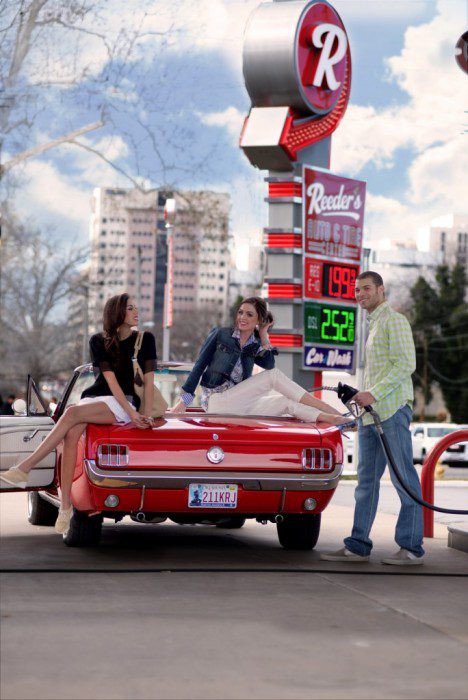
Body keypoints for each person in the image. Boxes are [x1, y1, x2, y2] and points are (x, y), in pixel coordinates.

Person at [0, 293, 157, 535]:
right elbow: (109, 380)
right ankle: (65, 507)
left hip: (124, 402)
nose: (137, 312)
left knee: (72, 413)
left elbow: (148, 381)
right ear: (117, 313)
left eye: (136, 308)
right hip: (98, 398)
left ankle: (27, 466)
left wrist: (140, 415)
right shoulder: (98, 341)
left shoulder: (146, 340)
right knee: (71, 434)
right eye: (130, 308)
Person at [321, 271, 425, 566]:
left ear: (381, 289)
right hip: (370, 417)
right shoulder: (374, 325)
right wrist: (363, 396)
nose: (361, 293)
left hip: (391, 411)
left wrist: (373, 393)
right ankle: (358, 545)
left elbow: (407, 364)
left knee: (403, 476)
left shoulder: (395, 321)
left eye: (366, 288)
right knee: (366, 481)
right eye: (357, 290)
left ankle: (412, 548)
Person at [171, 296, 354, 427]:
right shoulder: (221, 335)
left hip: (240, 408)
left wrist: (264, 335)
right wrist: (183, 402)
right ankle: (332, 411)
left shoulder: (255, 344)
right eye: (241, 312)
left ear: (259, 320)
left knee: (285, 403)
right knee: (272, 377)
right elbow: (199, 365)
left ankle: (334, 419)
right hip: (216, 404)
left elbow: (269, 364)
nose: (242, 317)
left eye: (250, 315)